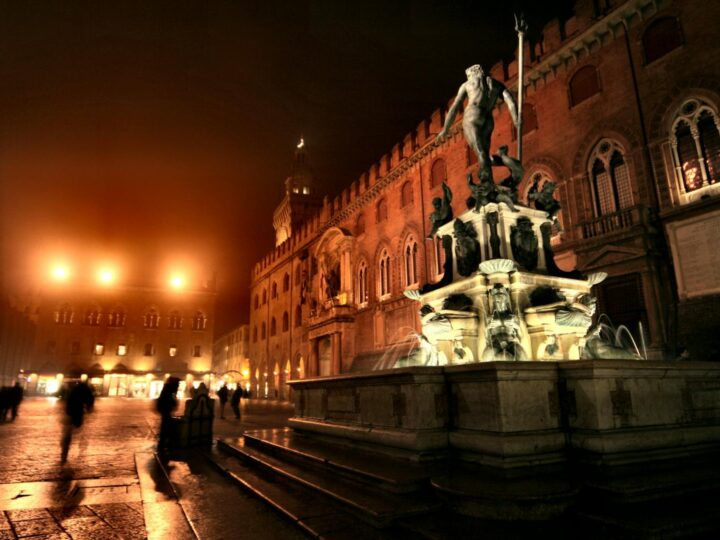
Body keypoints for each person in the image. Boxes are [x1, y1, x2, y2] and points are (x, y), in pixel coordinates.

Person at [437, 64, 519, 182]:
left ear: (473, 73)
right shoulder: (496, 84)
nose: (468, 77)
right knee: (484, 154)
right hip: (488, 119)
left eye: (468, 75)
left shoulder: (467, 84)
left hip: (472, 116)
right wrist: (516, 119)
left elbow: (455, 107)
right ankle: (505, 160)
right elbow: (511, 101)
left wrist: (445, 128)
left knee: (480, 152)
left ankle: (487, 183)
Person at [60, 379, 95, 464]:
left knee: (67, 432)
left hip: (69, 412)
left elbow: (66, 400)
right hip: (77, 412)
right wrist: (89, 408)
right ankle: (69, 448)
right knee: (73, 430)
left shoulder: (73, 389)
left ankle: (64, 449)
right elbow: (90, 399)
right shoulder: (84, 389)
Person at [156, 377, 180, 453]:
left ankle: (164, 444)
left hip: (165, 409)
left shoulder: (168, 388)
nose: (178, 386)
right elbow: (171, 399)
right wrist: (174, 403)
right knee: (166, 426)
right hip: (166, 409)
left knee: (165, 426)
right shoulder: (170, 389)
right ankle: (163, 445)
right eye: (178, 384)